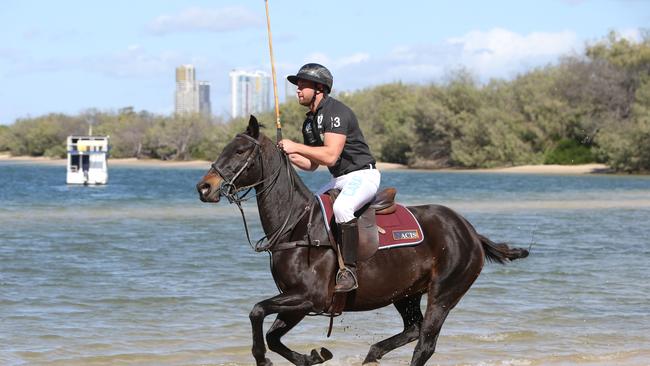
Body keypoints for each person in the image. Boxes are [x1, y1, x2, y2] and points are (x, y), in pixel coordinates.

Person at [279, 63, 380, 292]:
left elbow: (331, 156)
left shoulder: (336, 112)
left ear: (319, 88)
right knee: (308, 210)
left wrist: (295, 145)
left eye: (302, 85)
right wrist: (287, 155)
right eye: (298, 86)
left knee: (343, 208)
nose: (297, 90)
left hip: (363, 175)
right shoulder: (309, 122)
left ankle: (349, 271)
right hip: (339, 180)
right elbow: (312, 164)